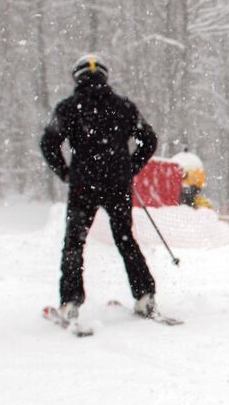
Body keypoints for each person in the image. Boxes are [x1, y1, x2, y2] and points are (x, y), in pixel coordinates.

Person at [40, 54, 160, 320]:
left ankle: (70, 302)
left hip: (83, 184)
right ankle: (145, 295)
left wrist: (65, 172)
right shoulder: (123, 107)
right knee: (125, 239)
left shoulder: (68, 108)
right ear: (104, 77)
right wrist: (130, 166)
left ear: (77, 78)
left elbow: (48, 143)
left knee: (74, 243)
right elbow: (148, 140)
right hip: (117, 182)